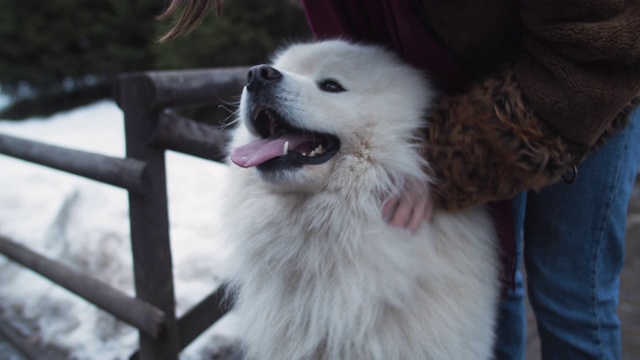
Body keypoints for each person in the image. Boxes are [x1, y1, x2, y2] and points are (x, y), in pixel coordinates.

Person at [159, 1, 640, 358]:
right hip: (456, 97)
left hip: (580, 88)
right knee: (500, 285)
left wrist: (451, 161)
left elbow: (597, 50)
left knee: (571, 292)